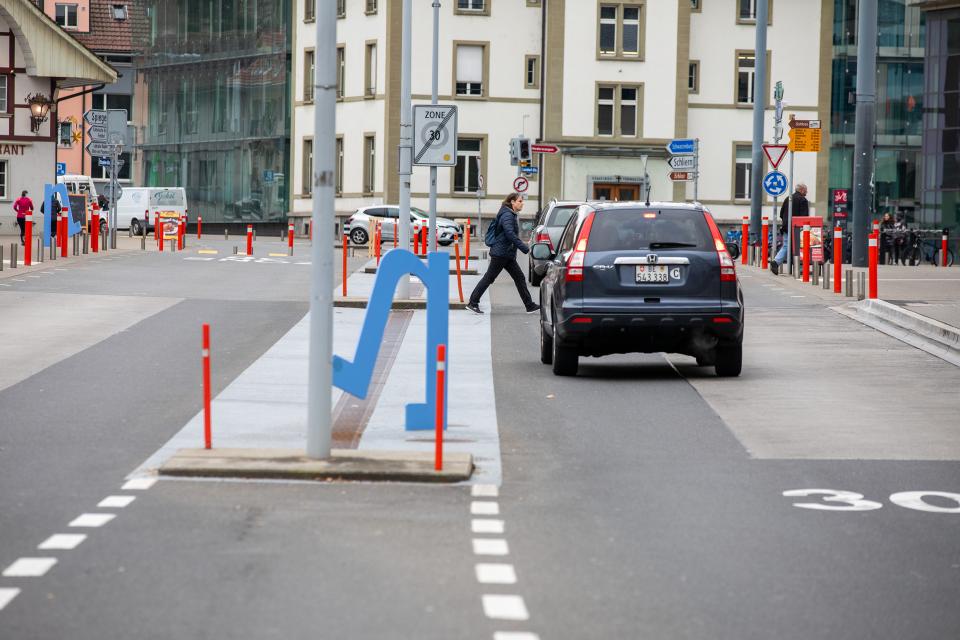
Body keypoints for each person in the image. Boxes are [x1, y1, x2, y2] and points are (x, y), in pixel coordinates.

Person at [466, 193, 540, 315]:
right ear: (512, 202)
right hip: (501, 254)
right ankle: (473, 302)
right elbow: (510, 234)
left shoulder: (508, 213)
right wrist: (525, 248)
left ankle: (529, 305)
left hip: (507, 254)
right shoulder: (507, 215)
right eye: (520, 201)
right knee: (489, 278)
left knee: (519, 278)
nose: (522, 203)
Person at [770, 182, 809, 274]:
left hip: (786, 227)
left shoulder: (788, 198)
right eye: (806, 190)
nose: (807, 192)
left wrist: (787, 222)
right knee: (799, 247)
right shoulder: (803, 200)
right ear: (802, 190)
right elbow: (805, 217)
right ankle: (796, 267)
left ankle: (776, 262)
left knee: (787, 245)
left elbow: (781, 213)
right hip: (798, 228)